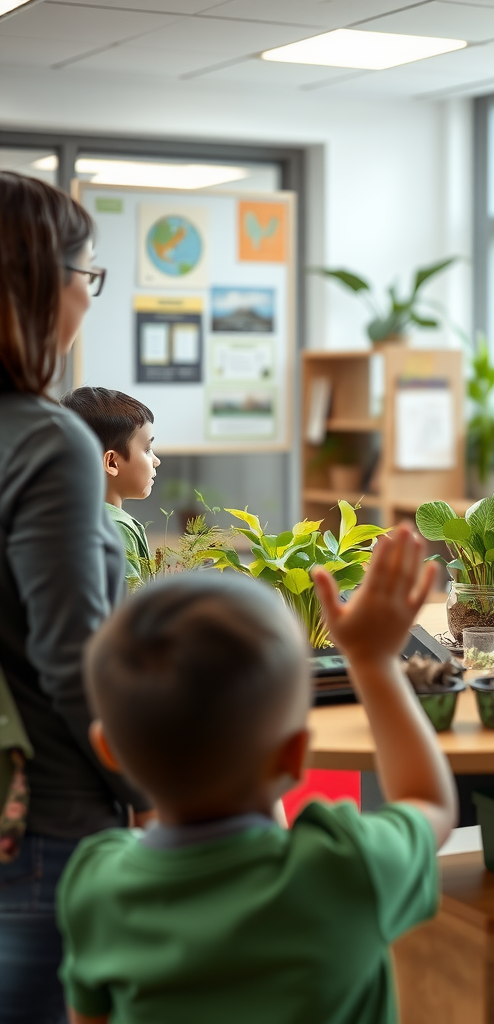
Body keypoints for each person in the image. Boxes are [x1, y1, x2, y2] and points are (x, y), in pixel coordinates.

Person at [56, 526, 457, 1024]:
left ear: (109, 751)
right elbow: (430, 801)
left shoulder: (96, 887)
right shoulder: (345, 867)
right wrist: (373, 662)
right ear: (295, 757)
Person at [0, 171, 150, 1024]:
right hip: (45, 826)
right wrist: (154, 790)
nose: (88, 301)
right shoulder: (47, 440)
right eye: (86, 277)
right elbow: (75, 666)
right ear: (34, 280)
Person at [59, 387, 160, 591]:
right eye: (147, 450)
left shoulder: (69, 516)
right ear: (112, 462)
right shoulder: (113, 526)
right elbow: (128, 608)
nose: (156, 461)